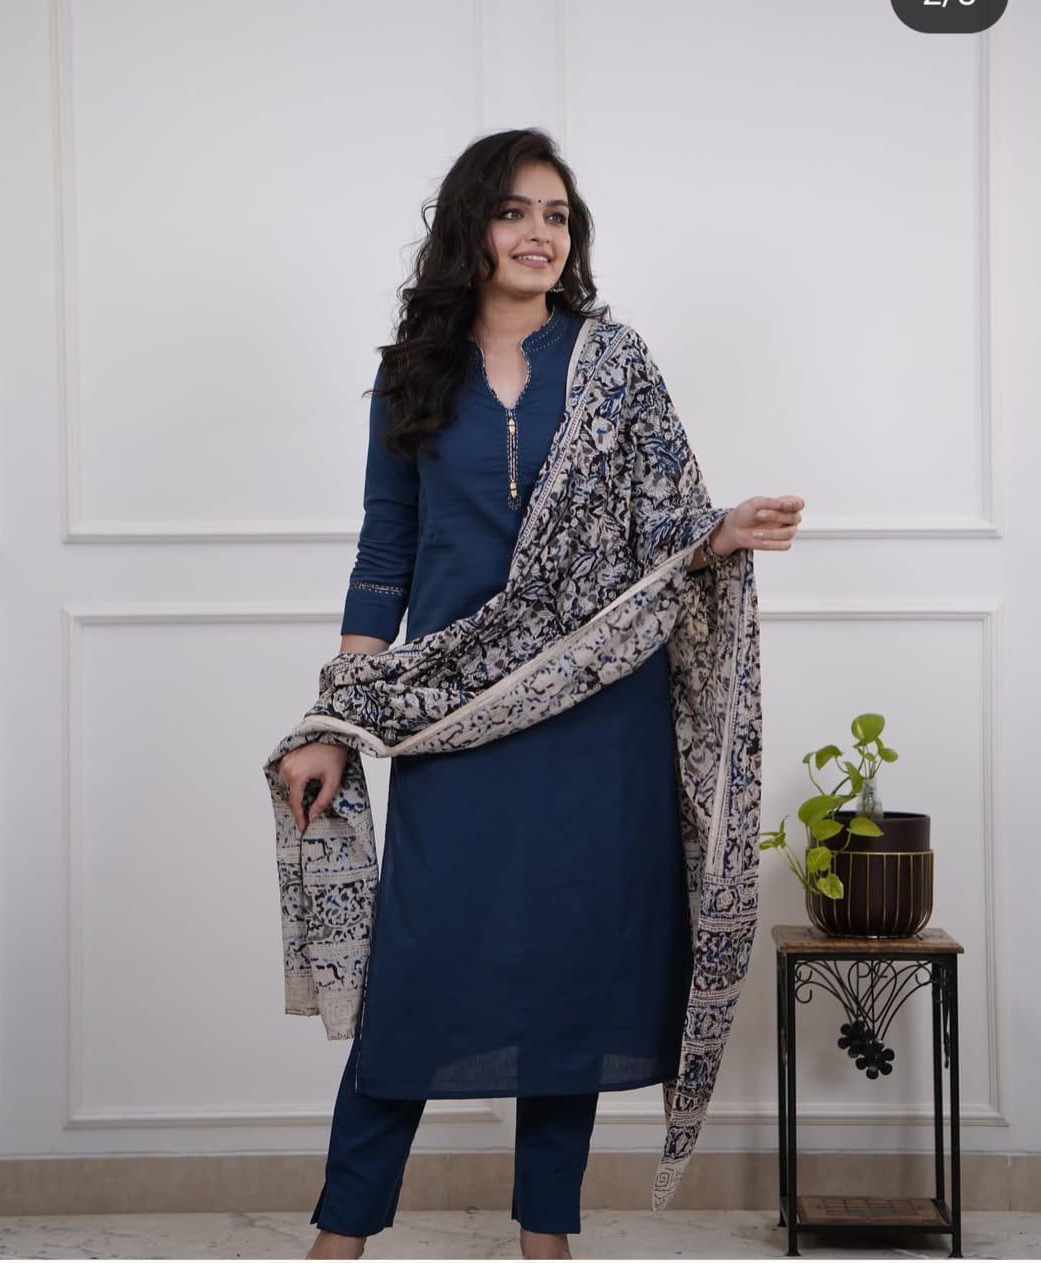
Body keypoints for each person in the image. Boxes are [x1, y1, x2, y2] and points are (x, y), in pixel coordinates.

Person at [278, 128, 803, 1262]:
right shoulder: (411, 375)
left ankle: (544, 1234)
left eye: (557, 216)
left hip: (601, 713)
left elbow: (664, 532)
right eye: (515, 213)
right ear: (471, 228)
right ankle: (342, 1230)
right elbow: (387, 550)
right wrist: (337, 716)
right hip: (460, 711)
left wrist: (721, 531)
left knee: (571, 966)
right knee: (415, 968)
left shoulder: (615, 364)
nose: (537, 235)